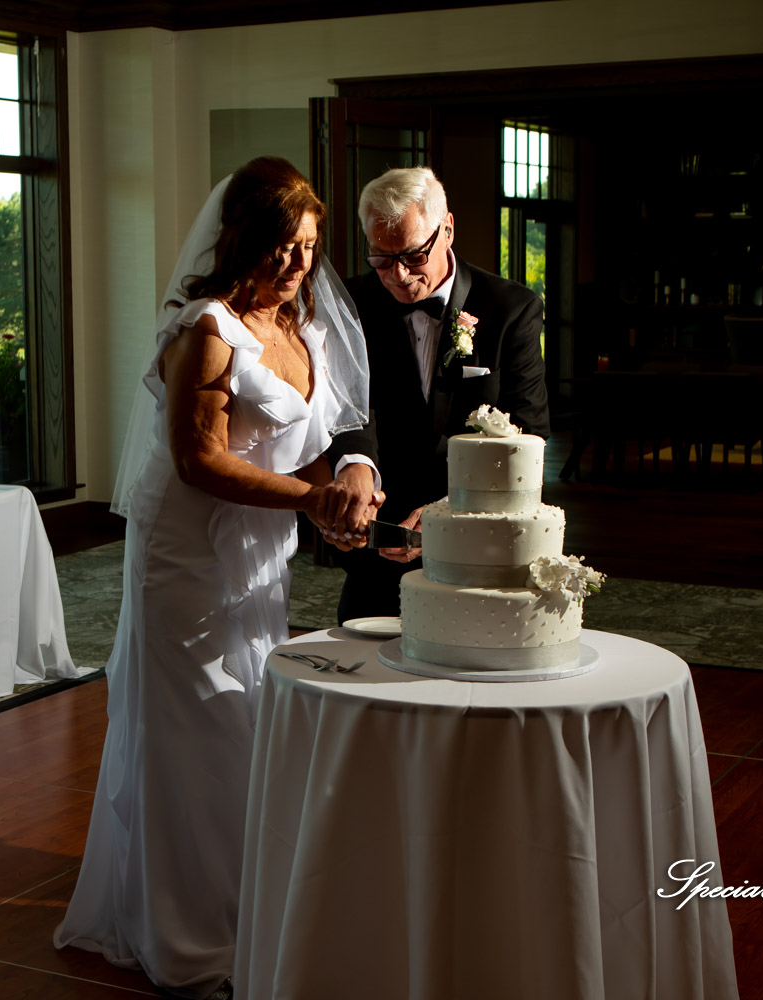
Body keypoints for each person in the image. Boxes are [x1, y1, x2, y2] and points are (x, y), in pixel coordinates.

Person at [54, 157, 378, 999]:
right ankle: (189, 937)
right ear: (241, 238)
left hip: (258, 552)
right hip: (189, 554)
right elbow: (198, 460)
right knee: (197, 728)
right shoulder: (205, 328)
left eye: (307, 247)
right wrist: (312, 501)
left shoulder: (302, 330)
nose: (294, 264)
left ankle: (247, 909)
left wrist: (350, 495)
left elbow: (320, 440)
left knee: (248, 721)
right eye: (279, 245)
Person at [324, 165, 550, 622]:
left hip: (478, 547)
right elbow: (341, 409)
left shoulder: (511, 310)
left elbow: (528, 433)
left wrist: (451, 509)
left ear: (446, 229)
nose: (399, 275)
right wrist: (353, 474)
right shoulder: (348, 306)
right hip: (377, 549)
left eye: (412, 255)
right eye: (381, 259)